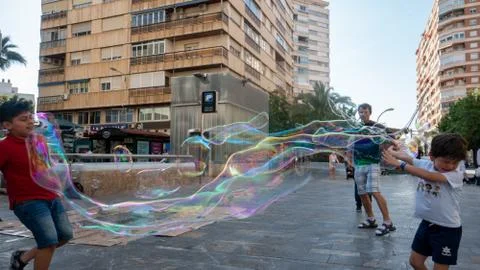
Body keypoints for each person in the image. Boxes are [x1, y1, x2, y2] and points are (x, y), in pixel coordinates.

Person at [0, 97, 73, 270]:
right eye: (23, 120)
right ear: (7, 125)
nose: (30, 123)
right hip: (27, 201)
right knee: (48, 241)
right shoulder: (4, 147)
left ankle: (21, 258)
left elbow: (46, 169)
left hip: (51, 196)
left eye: (30, 119)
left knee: (64, 235)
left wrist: (58, 188)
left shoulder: (39, 142)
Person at [382, 133, 466, 270]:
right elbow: (408, 158)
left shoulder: (456, 175)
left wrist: (400, 165)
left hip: (447, 229)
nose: (450, 165)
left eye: (454, 162)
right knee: (415, 261)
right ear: (432, 156)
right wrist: (392, 152)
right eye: (446, 161)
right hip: (427, 224)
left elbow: (429, 176)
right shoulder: (426, 164)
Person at [354, 103, 399, 236]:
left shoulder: (377, 127)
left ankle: (388, 222)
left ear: (370, 112)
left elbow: (392, 138)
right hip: (359, 163)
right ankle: (371, 219)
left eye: (365, 112)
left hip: (372, 163)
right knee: (362, 193)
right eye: (360, 112)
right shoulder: (356, 128)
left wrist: (386, 146)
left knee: (374, 191)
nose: (362, 114)